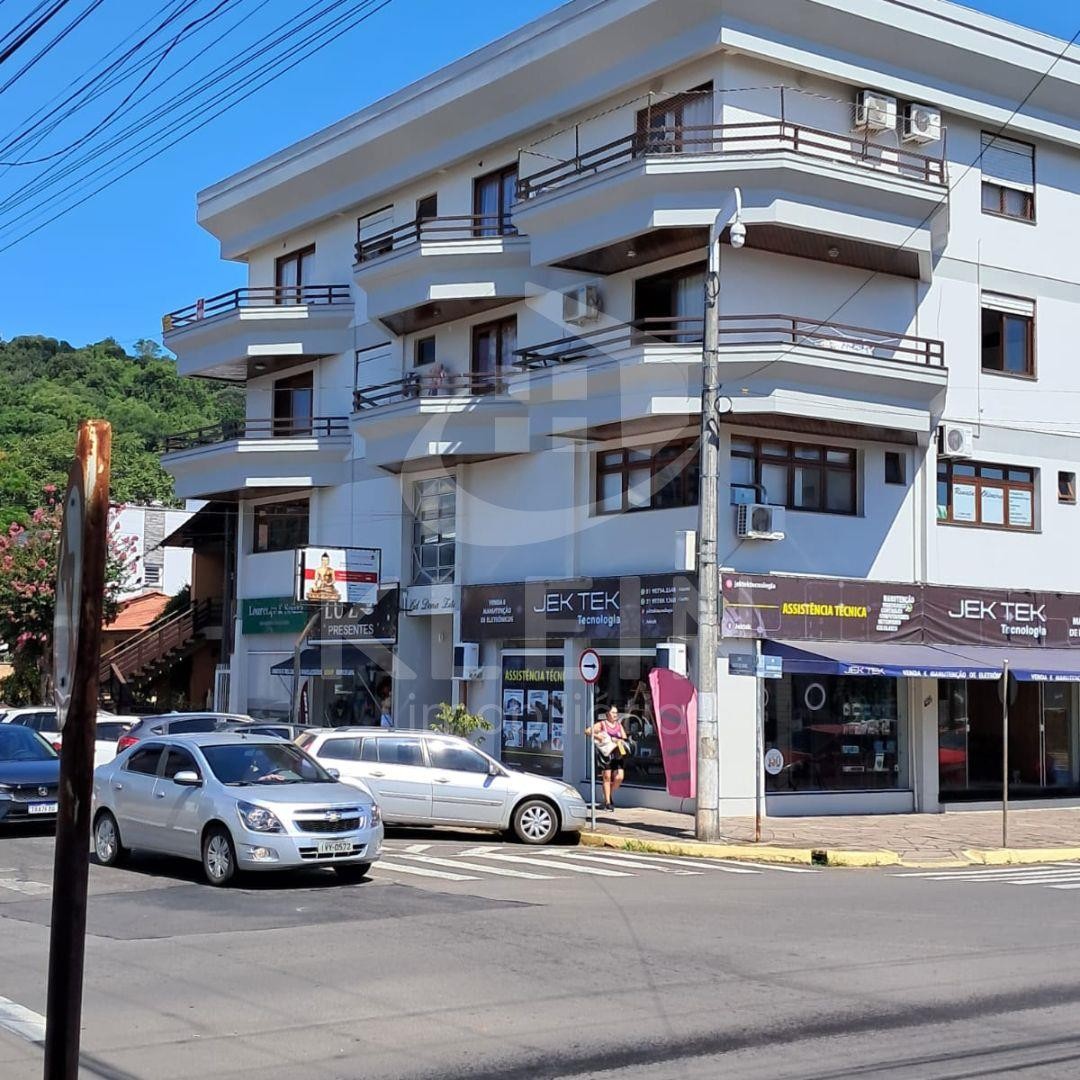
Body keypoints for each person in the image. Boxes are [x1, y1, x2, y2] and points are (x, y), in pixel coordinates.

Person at [585, 705, 628, 811]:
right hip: (606, 754)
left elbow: (624, 737)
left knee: (619, 777)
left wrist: (618, 740)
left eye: (616, 713)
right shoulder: (602, 724)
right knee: (607, 777)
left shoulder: (619, 725)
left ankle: (608, 795)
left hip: (617, 753)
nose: (615, 715)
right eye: (613, 713)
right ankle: (608, 802)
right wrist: (598, 736)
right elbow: (588, 731)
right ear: (607, 714)